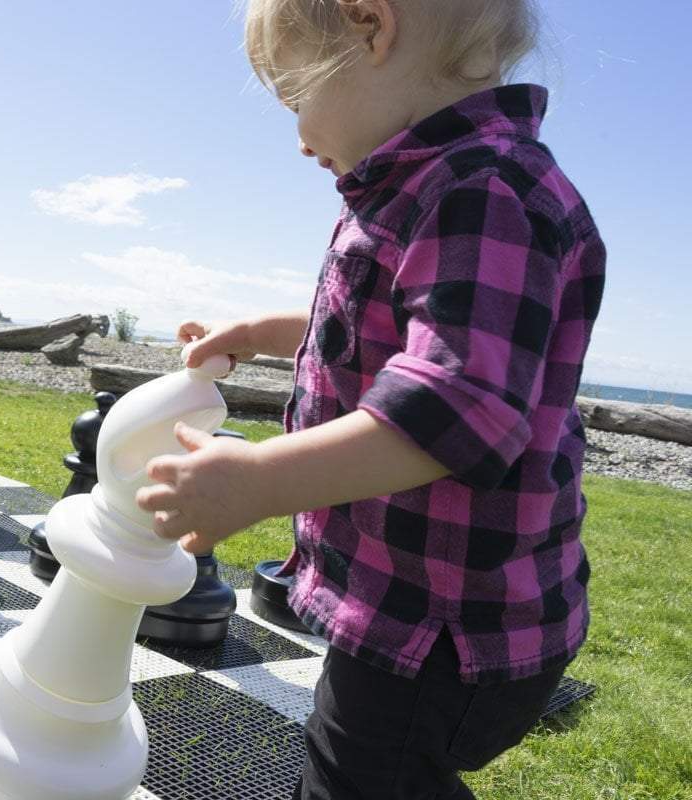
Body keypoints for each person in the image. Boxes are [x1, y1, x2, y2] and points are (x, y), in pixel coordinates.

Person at [135, 1, 605, 797]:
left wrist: (257, 482)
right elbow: (380, 330)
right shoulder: (439, 185)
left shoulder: (481, 191)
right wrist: (262, 327)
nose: (298, 136)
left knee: (356, 779)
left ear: (370, 26)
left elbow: (456, 409)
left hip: (445, 628)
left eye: (296, 97)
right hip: (429, 611)